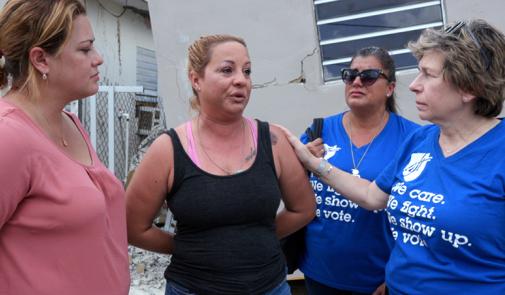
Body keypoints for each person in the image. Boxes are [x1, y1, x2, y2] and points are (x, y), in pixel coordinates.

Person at [280, 19, 505, 294]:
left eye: (427, 74)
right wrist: (314, 164)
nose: (413, 86)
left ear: (468, 86)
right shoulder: (420, 141)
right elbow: (372, 196)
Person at [126, 34, 316, 295]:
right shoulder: (168, 150)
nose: (241, 79)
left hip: (268, 287)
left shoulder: (273, 142)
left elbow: (304, 209)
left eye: (247, 71)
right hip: (193, 288)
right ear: (196, 80)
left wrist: (258, 237)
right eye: (227, 70)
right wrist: (187, 245)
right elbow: (133, 227)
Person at [0, 1, 129, 294]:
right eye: (85, 49)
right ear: (41, 59)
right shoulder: (8, 135)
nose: (98, 59)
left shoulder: (70, 122)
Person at [299, 47, 419, 295]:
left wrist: (397, 275)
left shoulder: (413, 139)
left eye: (369, 76)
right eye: (349, 75)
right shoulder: (320, 129)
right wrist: (300, 163)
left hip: (378, 278)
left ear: (390, 88)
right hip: (320, 273)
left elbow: (420, 215)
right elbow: (295, 189)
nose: (356, 81)